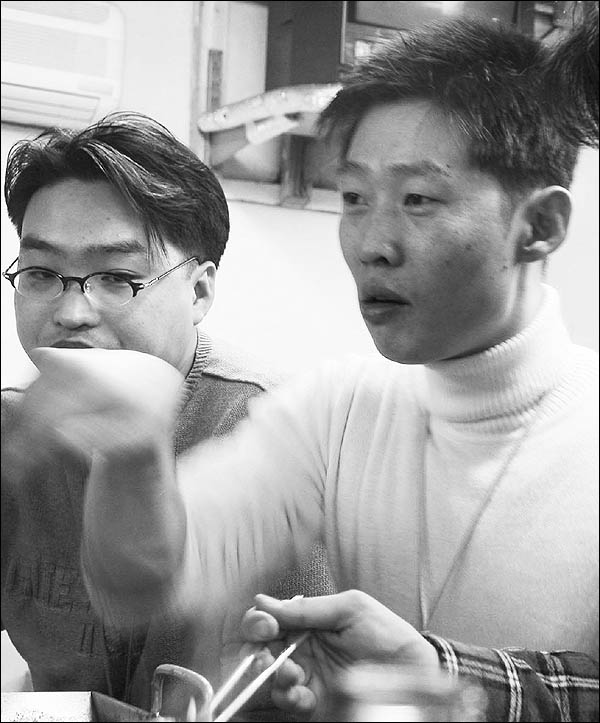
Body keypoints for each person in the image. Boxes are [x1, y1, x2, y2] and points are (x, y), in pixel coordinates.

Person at [11, 15, 598, 722]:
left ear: (540, 226)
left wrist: (450, 674)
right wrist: (132, 455)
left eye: (418, 199)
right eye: (353, 198)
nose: (372, 243)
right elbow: (141, 583)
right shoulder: (337, 409)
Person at [0, 111, 334, 714]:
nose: (72, 312)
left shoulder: (279, 435)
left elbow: (317, 687)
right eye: (42, 273)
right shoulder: (11, 432)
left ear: (199, 291)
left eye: (117, 277)